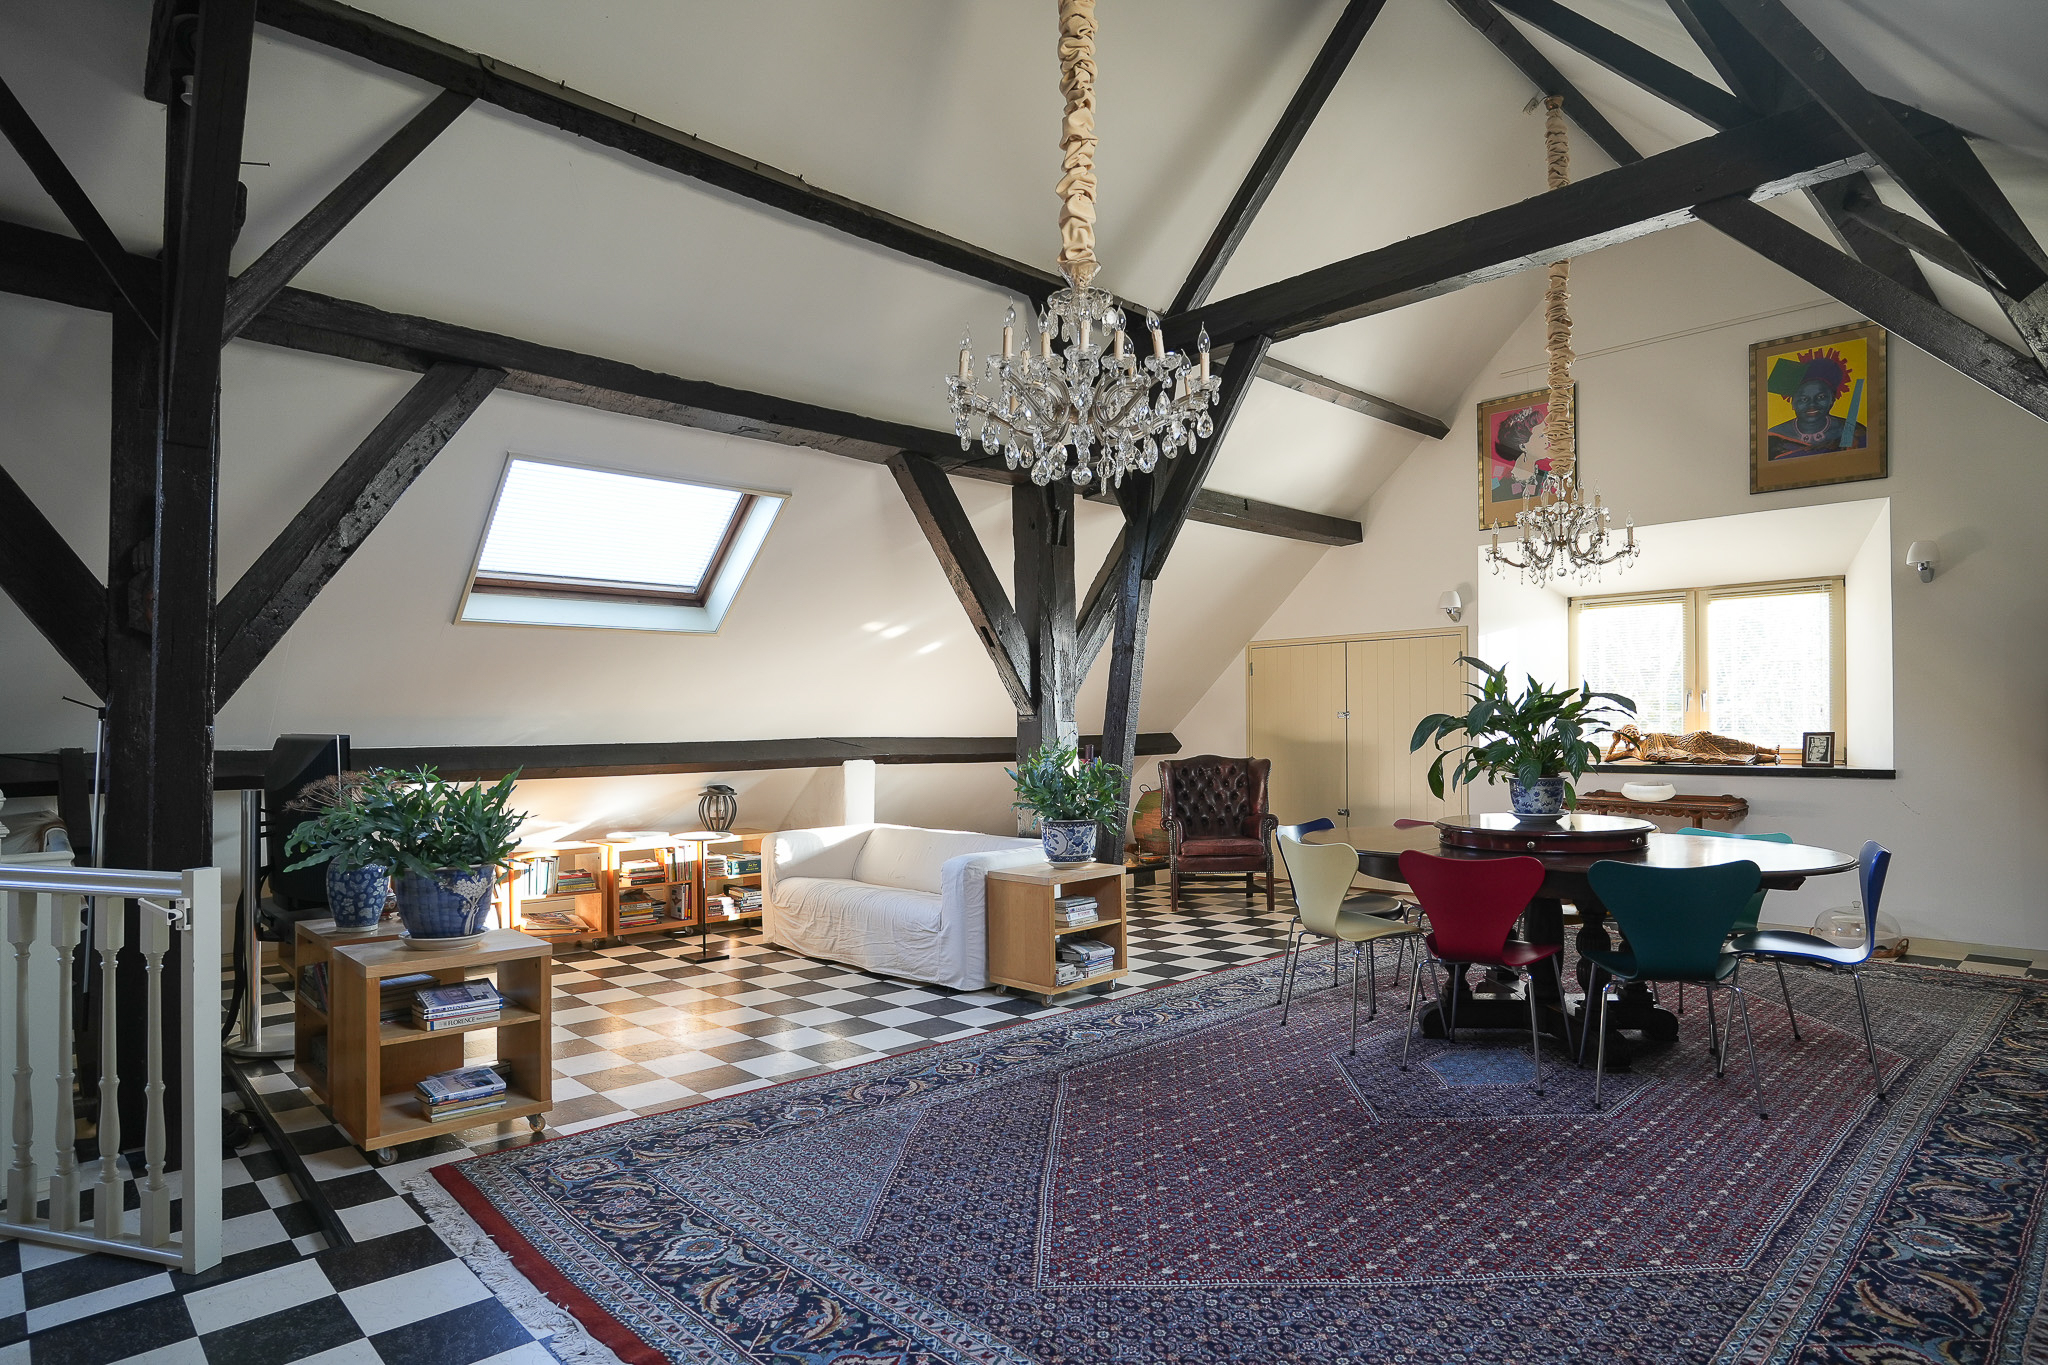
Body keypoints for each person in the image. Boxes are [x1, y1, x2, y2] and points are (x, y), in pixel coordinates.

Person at [1767, 348, 1866, 459]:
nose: (1812, 404)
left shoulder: (1854, 432)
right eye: (1804, 399)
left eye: (1821, 397)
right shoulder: (1771, 438)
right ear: (1793, 403)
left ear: (1832, 399)